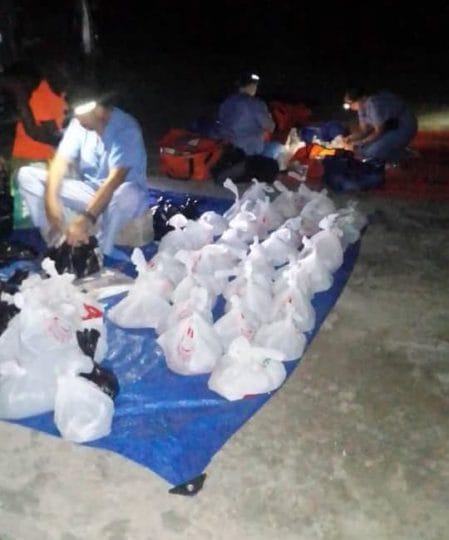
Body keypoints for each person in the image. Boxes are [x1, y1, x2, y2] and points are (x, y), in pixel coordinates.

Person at [17, 83, 149, 256]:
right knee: (27, 175)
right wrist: (51, 206)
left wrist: (87, 218)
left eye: (81, 114)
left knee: (126, 193)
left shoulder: (126, 128)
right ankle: (54, 243)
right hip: (91, 192)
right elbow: (59, 164)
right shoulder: (78, 125)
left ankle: (103, 252)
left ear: (98, 109)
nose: (78, 119)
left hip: (122, 197)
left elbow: (114, 180)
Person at [0, 59, 69, 227]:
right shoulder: (29, 92)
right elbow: (37, 133)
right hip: (26, 157)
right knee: (30, 215)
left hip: (42, 155)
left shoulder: (53, 93)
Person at [212, 72, 279, 184]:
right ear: (251, 86)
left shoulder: (226, 103)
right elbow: (270, 127)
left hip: (226, 154)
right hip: (247, 155)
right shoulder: (256, 104)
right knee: (275, 154)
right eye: (255, 85)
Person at [341, 87, 418, 163]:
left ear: (363, 98)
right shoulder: (361, 108)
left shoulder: (374, 103)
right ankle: (395, 149)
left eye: (351, 103)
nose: (350, 107)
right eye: (347, 104)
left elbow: (379, 131)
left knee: (371, 153)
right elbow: (365, 131)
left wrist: (359, 144)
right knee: (363, 150)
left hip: (403, 126)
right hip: (389, 128)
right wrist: (349, 138)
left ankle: (403, 154)